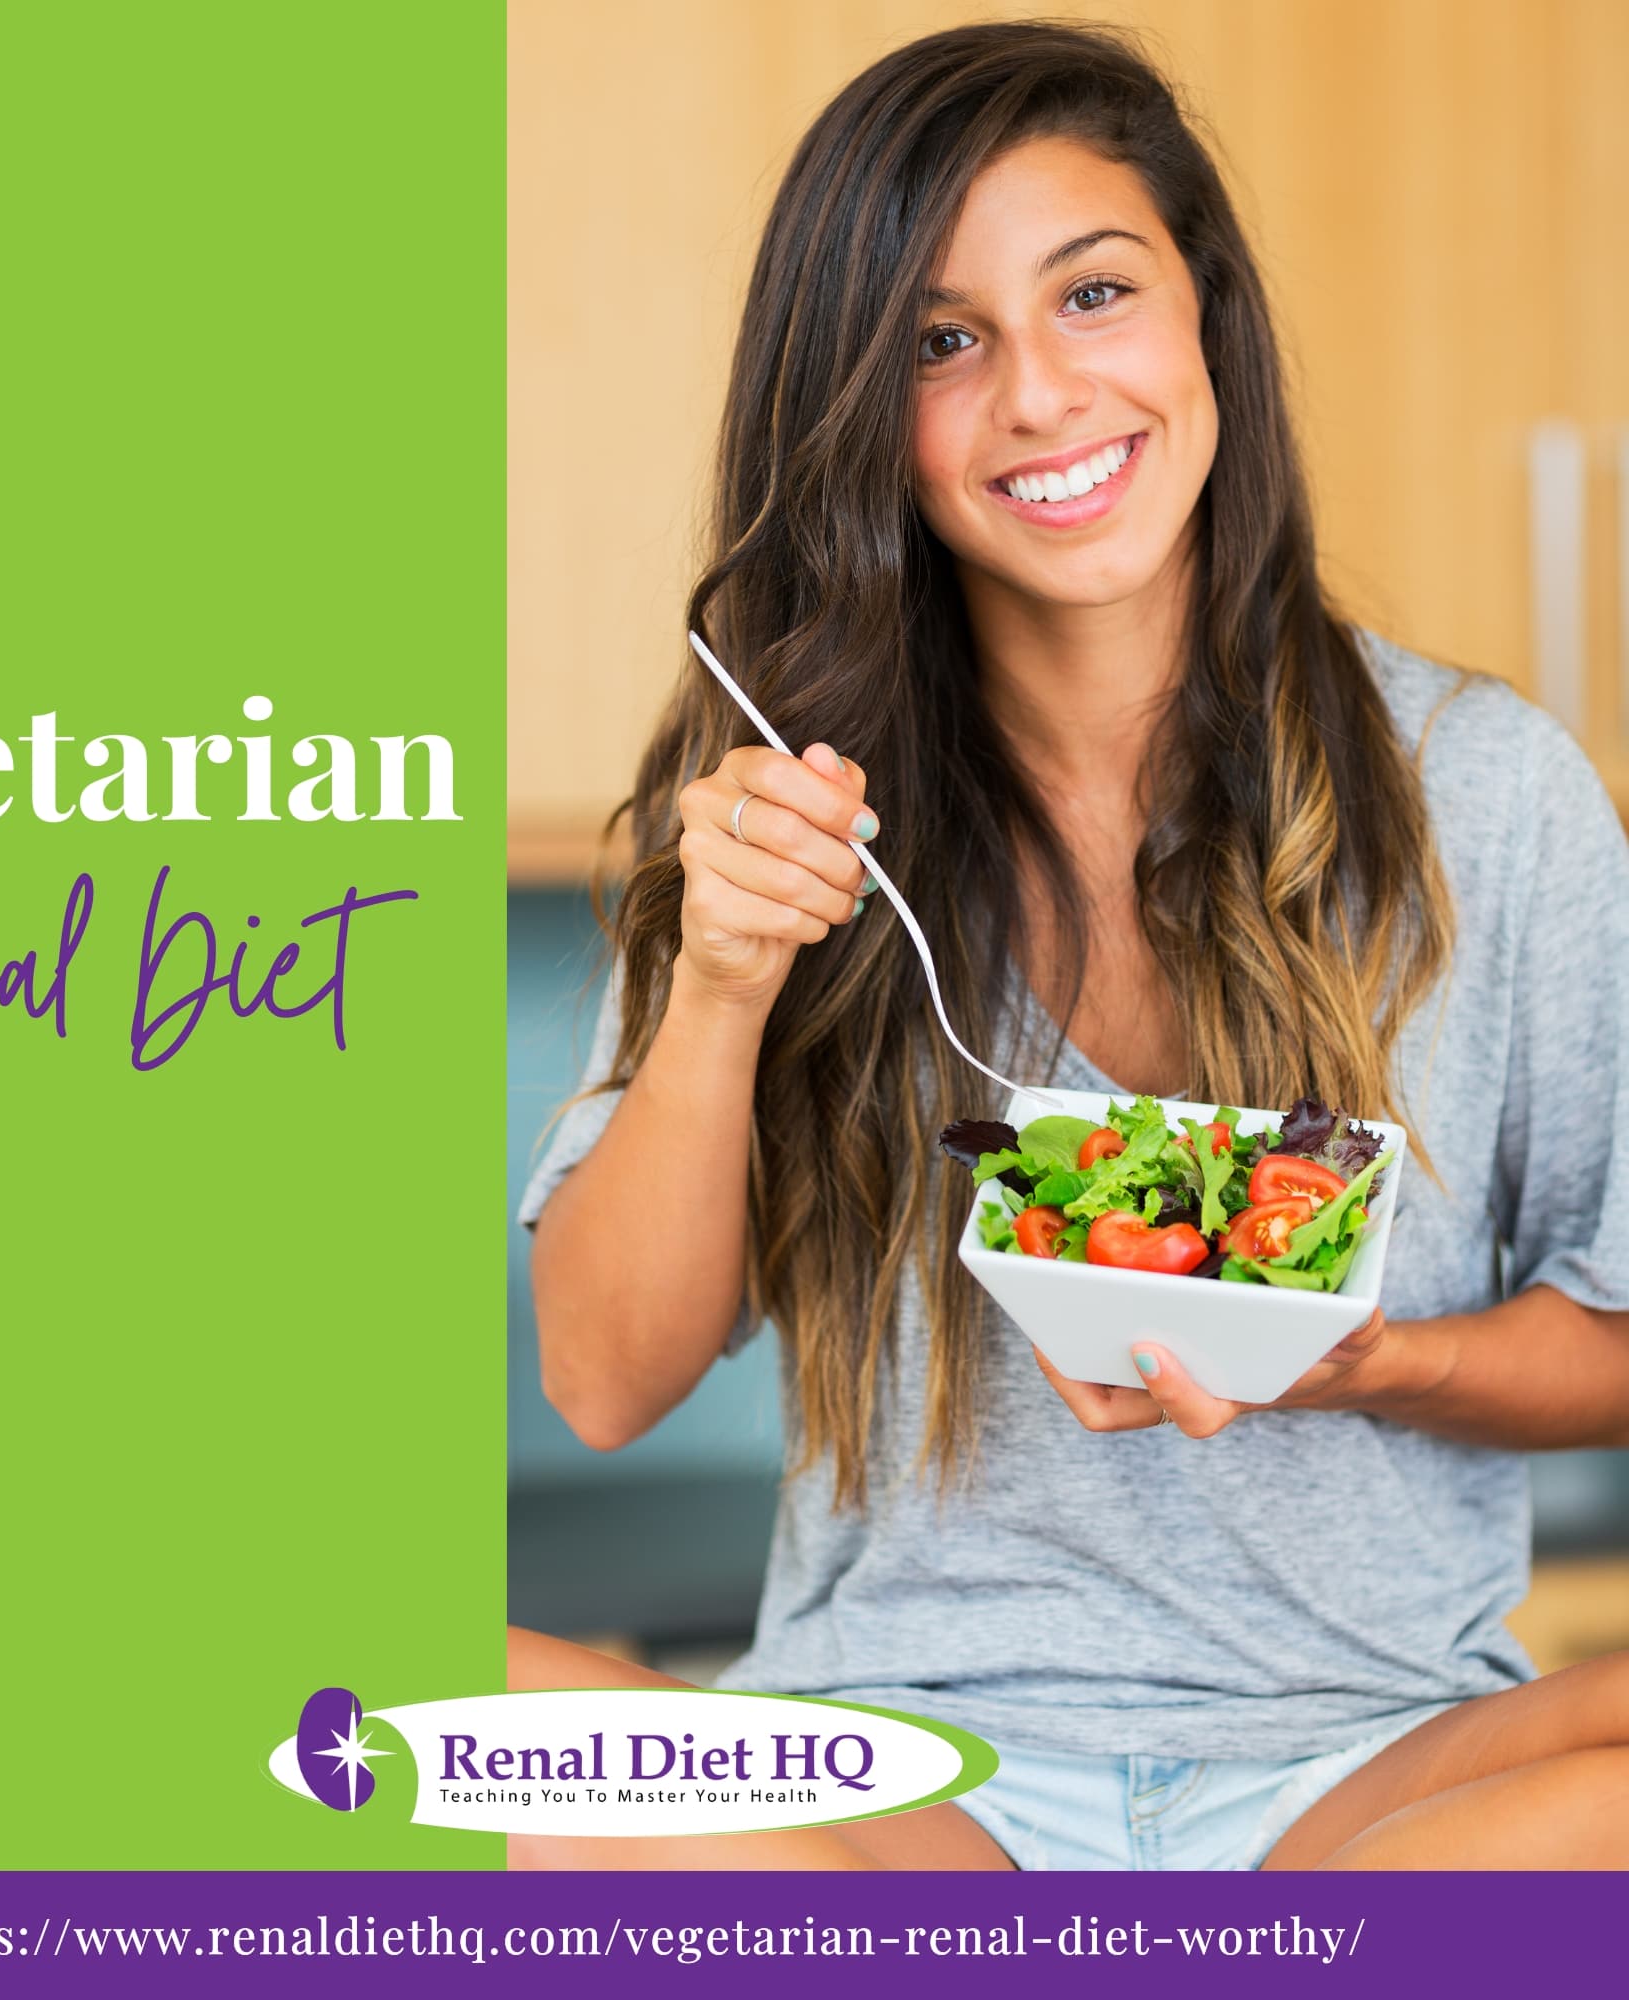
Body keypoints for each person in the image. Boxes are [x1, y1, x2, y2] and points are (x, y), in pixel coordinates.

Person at [514, 21, 1629, 1870]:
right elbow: (604, 1379)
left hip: (1370, 1772)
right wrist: (723, 980)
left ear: (1207, 321)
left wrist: (1360, 1357)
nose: (1040, 393)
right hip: (903, 1784)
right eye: (943, 343)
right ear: (860, 411)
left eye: (1093, 294)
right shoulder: (773, 811)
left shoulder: (1489, 793)